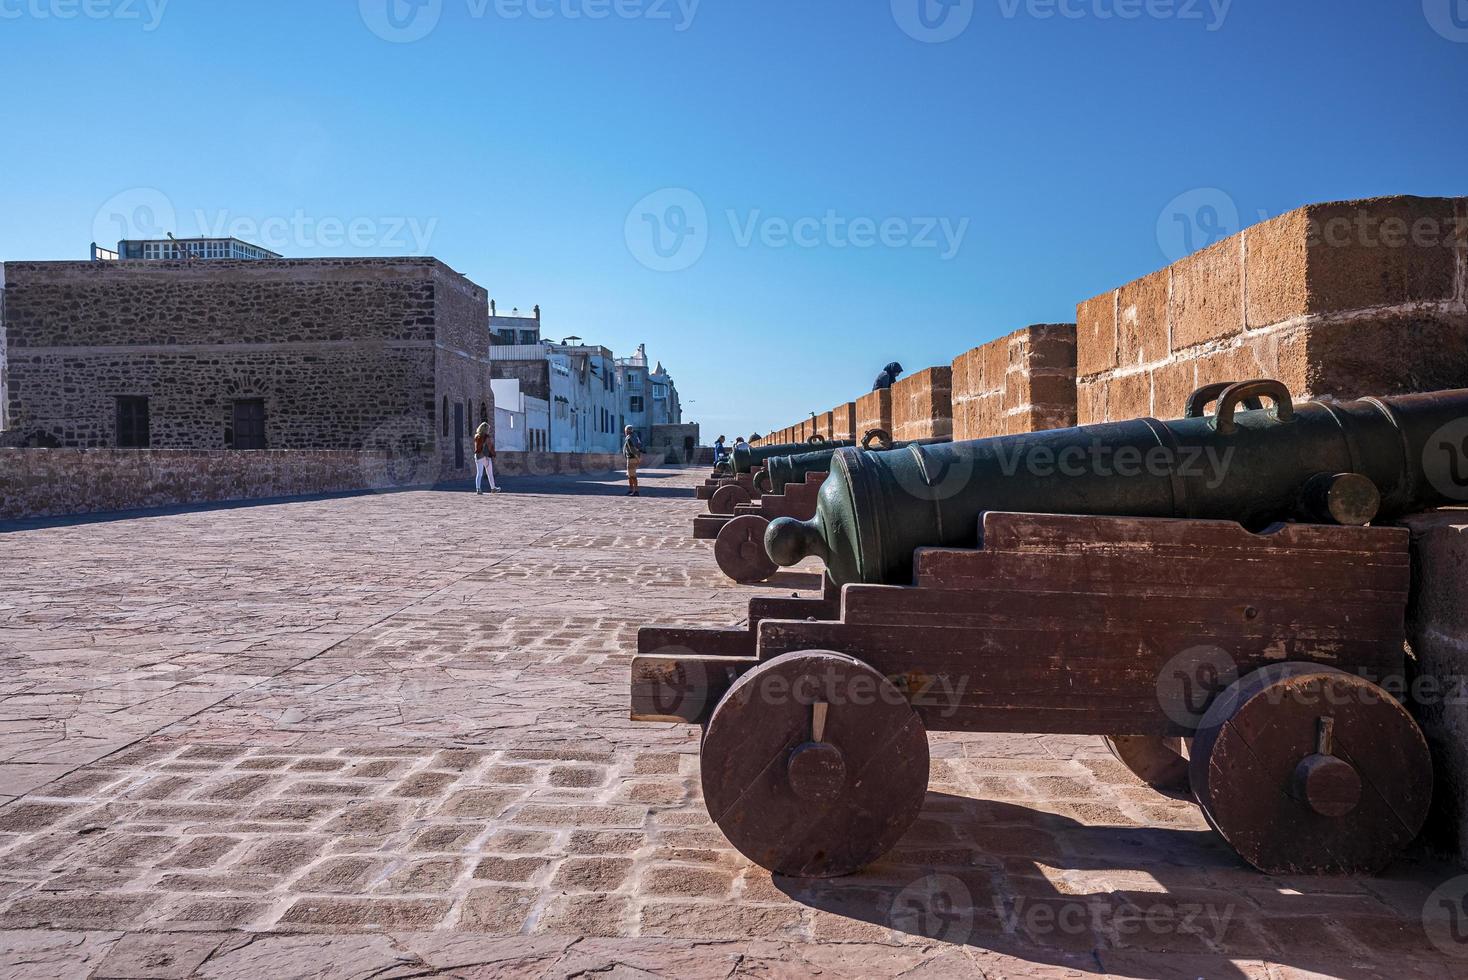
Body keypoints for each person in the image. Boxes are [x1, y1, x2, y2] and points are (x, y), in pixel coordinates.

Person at [473, 422, 501, 495]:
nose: (489, 430)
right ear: (485, 429)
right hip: (485, 457)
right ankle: (493, 488)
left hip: (477, 456)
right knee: (490, 473)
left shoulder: (476, 436)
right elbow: (490, 446)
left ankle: (478, 489)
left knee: (479, 473)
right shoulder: (486, 437)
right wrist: (494, 454)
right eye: (488, 429)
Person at [623, 425, 643, 497]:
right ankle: (631, 489)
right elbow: (640, 446)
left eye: (625, 431)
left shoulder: (629, 438)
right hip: (633, 458)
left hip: (632, 458)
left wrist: (637, 458)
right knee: (630, 475)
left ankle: (636, 491)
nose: (625, 432)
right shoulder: (636, 437)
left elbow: (632, 450)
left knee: (632, 475)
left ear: (627, 431)